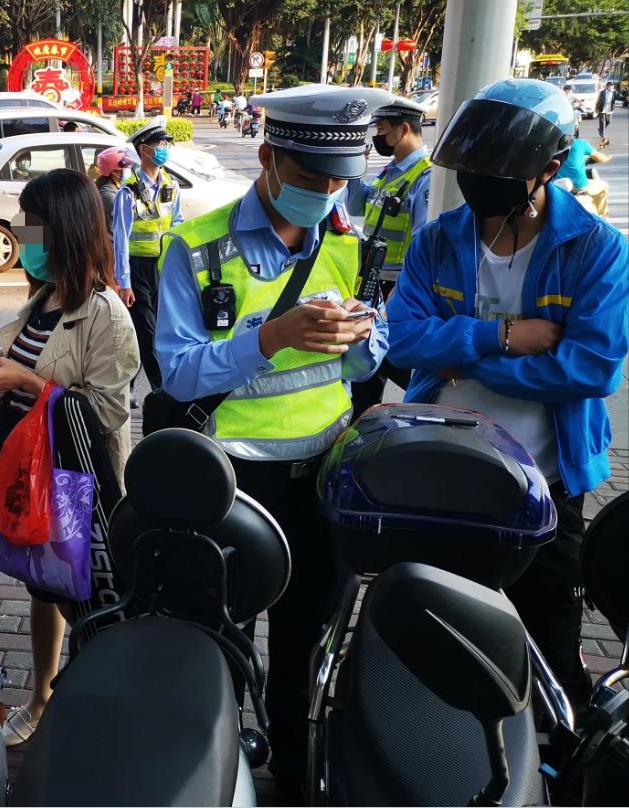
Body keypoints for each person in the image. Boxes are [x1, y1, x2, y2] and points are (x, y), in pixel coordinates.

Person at [155, 83, 394, 795]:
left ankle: (291, 774)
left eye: (340, 181)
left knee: (304, 644)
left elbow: (368, 355)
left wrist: (359, 342)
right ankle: (209, 773)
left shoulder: (349, 242)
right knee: (213, 638)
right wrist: (270, 338)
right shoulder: (197, 248)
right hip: (230, 478)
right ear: (267, 158)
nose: (327, 193)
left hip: (321, 475)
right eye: (311, 178)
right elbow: (176, 369)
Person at [388, 78, 629, 710]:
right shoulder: (436, 241)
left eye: (497, 169)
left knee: (547, 640)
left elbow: (593, 368)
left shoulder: (597, 251)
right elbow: (404, 340)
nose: (478, 181)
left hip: (547, 480)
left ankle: (549, 761)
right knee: (446, 632)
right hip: (445, 476)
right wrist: (502, 335)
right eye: (470, 167)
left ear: (548, 168)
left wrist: (478, 365)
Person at [0, 168, 141, 747]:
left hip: (77, 489)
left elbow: (105, 413)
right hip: (30, 476)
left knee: (87, 599)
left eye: (33, 226)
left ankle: (99, 708)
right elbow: (29, 366)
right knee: (41, 583)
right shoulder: (44, 299)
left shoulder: (105, 314)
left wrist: (27, 379)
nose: (21, 237)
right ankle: (44, 694)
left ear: (66, 232)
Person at [346, 96, 431, 416]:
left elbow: (423, 241)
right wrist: (355, 166)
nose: (377, 137)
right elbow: (356, 206)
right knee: (369, 364)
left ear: (404, 128)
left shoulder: (425, 176)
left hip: (395, 286)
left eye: (381, 129)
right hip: (372, 280)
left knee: (390, 361)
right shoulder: (390, 172)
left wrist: (404, 289)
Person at [112, 117, 183, 404]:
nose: (165, 149)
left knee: (152, 335)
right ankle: (162, 393)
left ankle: (125, 387)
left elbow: (177, 224)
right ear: (144, 150)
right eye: (160, 144)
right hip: (138, 271)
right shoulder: (127, 192)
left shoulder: (171, 185)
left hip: (163, 269)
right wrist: (124, 282)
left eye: (167, 144)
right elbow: (120, 239)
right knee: (149, 333)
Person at [555, 135, 612, 216]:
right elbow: (601, 158)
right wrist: (608, 157)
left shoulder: (553, 145)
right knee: (604, 186)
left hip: (557, 185)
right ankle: (601, 216)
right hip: (580, 187)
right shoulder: (580, 144)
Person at [94, 146, 135, 229]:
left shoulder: (118, 188)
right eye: (126, 168)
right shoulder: (108, 195)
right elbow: (132, 216)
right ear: (115, 172)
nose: (129, 170)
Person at [596, 80, 616, 146]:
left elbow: (618, 97)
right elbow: (598, 100)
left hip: (609, 109)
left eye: (612, 86)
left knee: (608, 121)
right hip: (602, 108)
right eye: (610, 86)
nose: (611, 87)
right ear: (607, 86)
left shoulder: (614, 92)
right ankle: (602, 134)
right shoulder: (602, 92)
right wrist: (597, 108)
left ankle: (600, 130)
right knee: (602, 122)